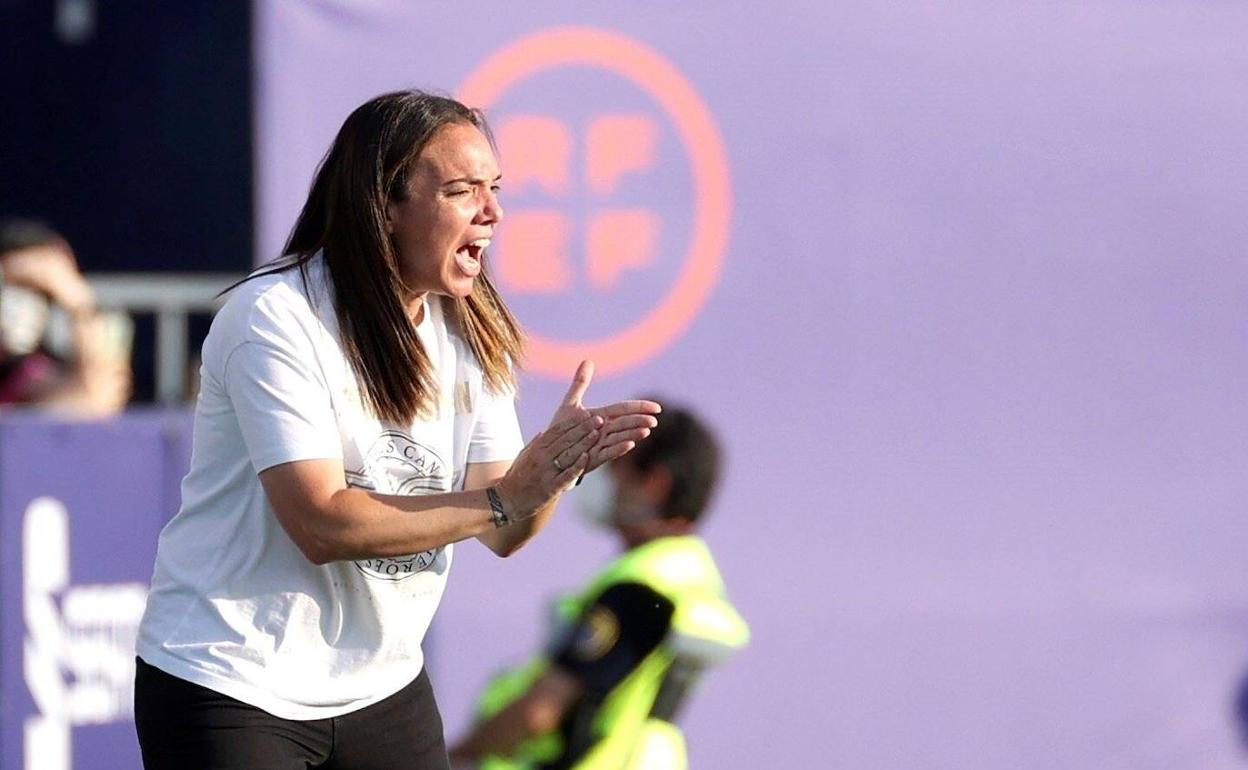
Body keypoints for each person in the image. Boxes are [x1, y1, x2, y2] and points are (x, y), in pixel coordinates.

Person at [132, 90, 661, 770]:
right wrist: (504, 498)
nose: (493, 213)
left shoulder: (471, 323)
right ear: (384, 205)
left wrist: (549, 476)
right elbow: (322, 524)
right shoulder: (275, 317)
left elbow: (504, 531)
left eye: (495, 189)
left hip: (381, 688)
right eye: (463, 191)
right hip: (232, 682)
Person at [448, 404, 749, 770]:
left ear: (655, 483)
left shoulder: (641, 587)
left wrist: (456, 756)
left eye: (615, 466)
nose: (600, 479)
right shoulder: (690, 573)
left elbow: (540, 712)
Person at [0, 218, 130, 416]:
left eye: (40, 294)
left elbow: (96, 397)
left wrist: (74, 297)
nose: (18, 309)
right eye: (13, 289)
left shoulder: (28, 373)